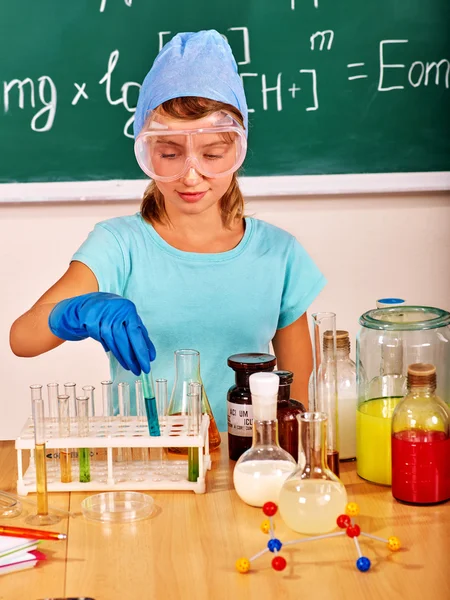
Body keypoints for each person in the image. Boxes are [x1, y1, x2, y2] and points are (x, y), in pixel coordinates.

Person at [9, 30, 326, 434]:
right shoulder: (118, 245)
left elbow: (298, 401)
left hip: (244, 463)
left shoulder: (280, 255)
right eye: (170, 153)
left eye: (212, 154)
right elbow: (22, 338)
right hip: (142, 464)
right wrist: (74, 313)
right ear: (146, 150)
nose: (191, 175)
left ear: (238, 149)